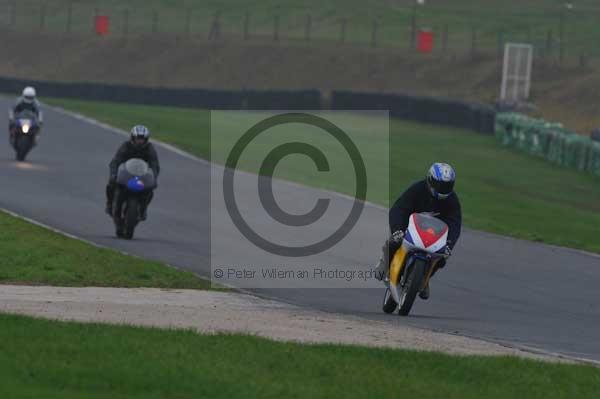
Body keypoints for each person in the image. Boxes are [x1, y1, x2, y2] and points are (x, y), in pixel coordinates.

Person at [374, 162, 462, 300]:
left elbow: (455, 223)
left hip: (433, 235)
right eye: (440, 185)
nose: (443, 189)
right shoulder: (417, 189)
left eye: (447, 186)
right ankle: (385, 264)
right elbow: (399, 209)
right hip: (409, 228)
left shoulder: (452, 200)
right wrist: (398, 230)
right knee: (394, 242)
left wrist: (449, 244)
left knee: (441, 258)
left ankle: (424, 280)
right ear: (430, 180)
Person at [105, 125, 160, 220]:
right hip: (126, 174)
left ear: (146, 139)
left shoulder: (150, 148)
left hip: (142, 176)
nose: (140, 141)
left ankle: (143, 209)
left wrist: (154, 178)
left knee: (149, 190)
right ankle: (110, 204)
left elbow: (155, 165)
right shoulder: (126, 146)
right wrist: (113, 174)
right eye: (138, 138)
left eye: (142, 139)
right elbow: (115, 161)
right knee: (111, 185)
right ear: (132, 138)